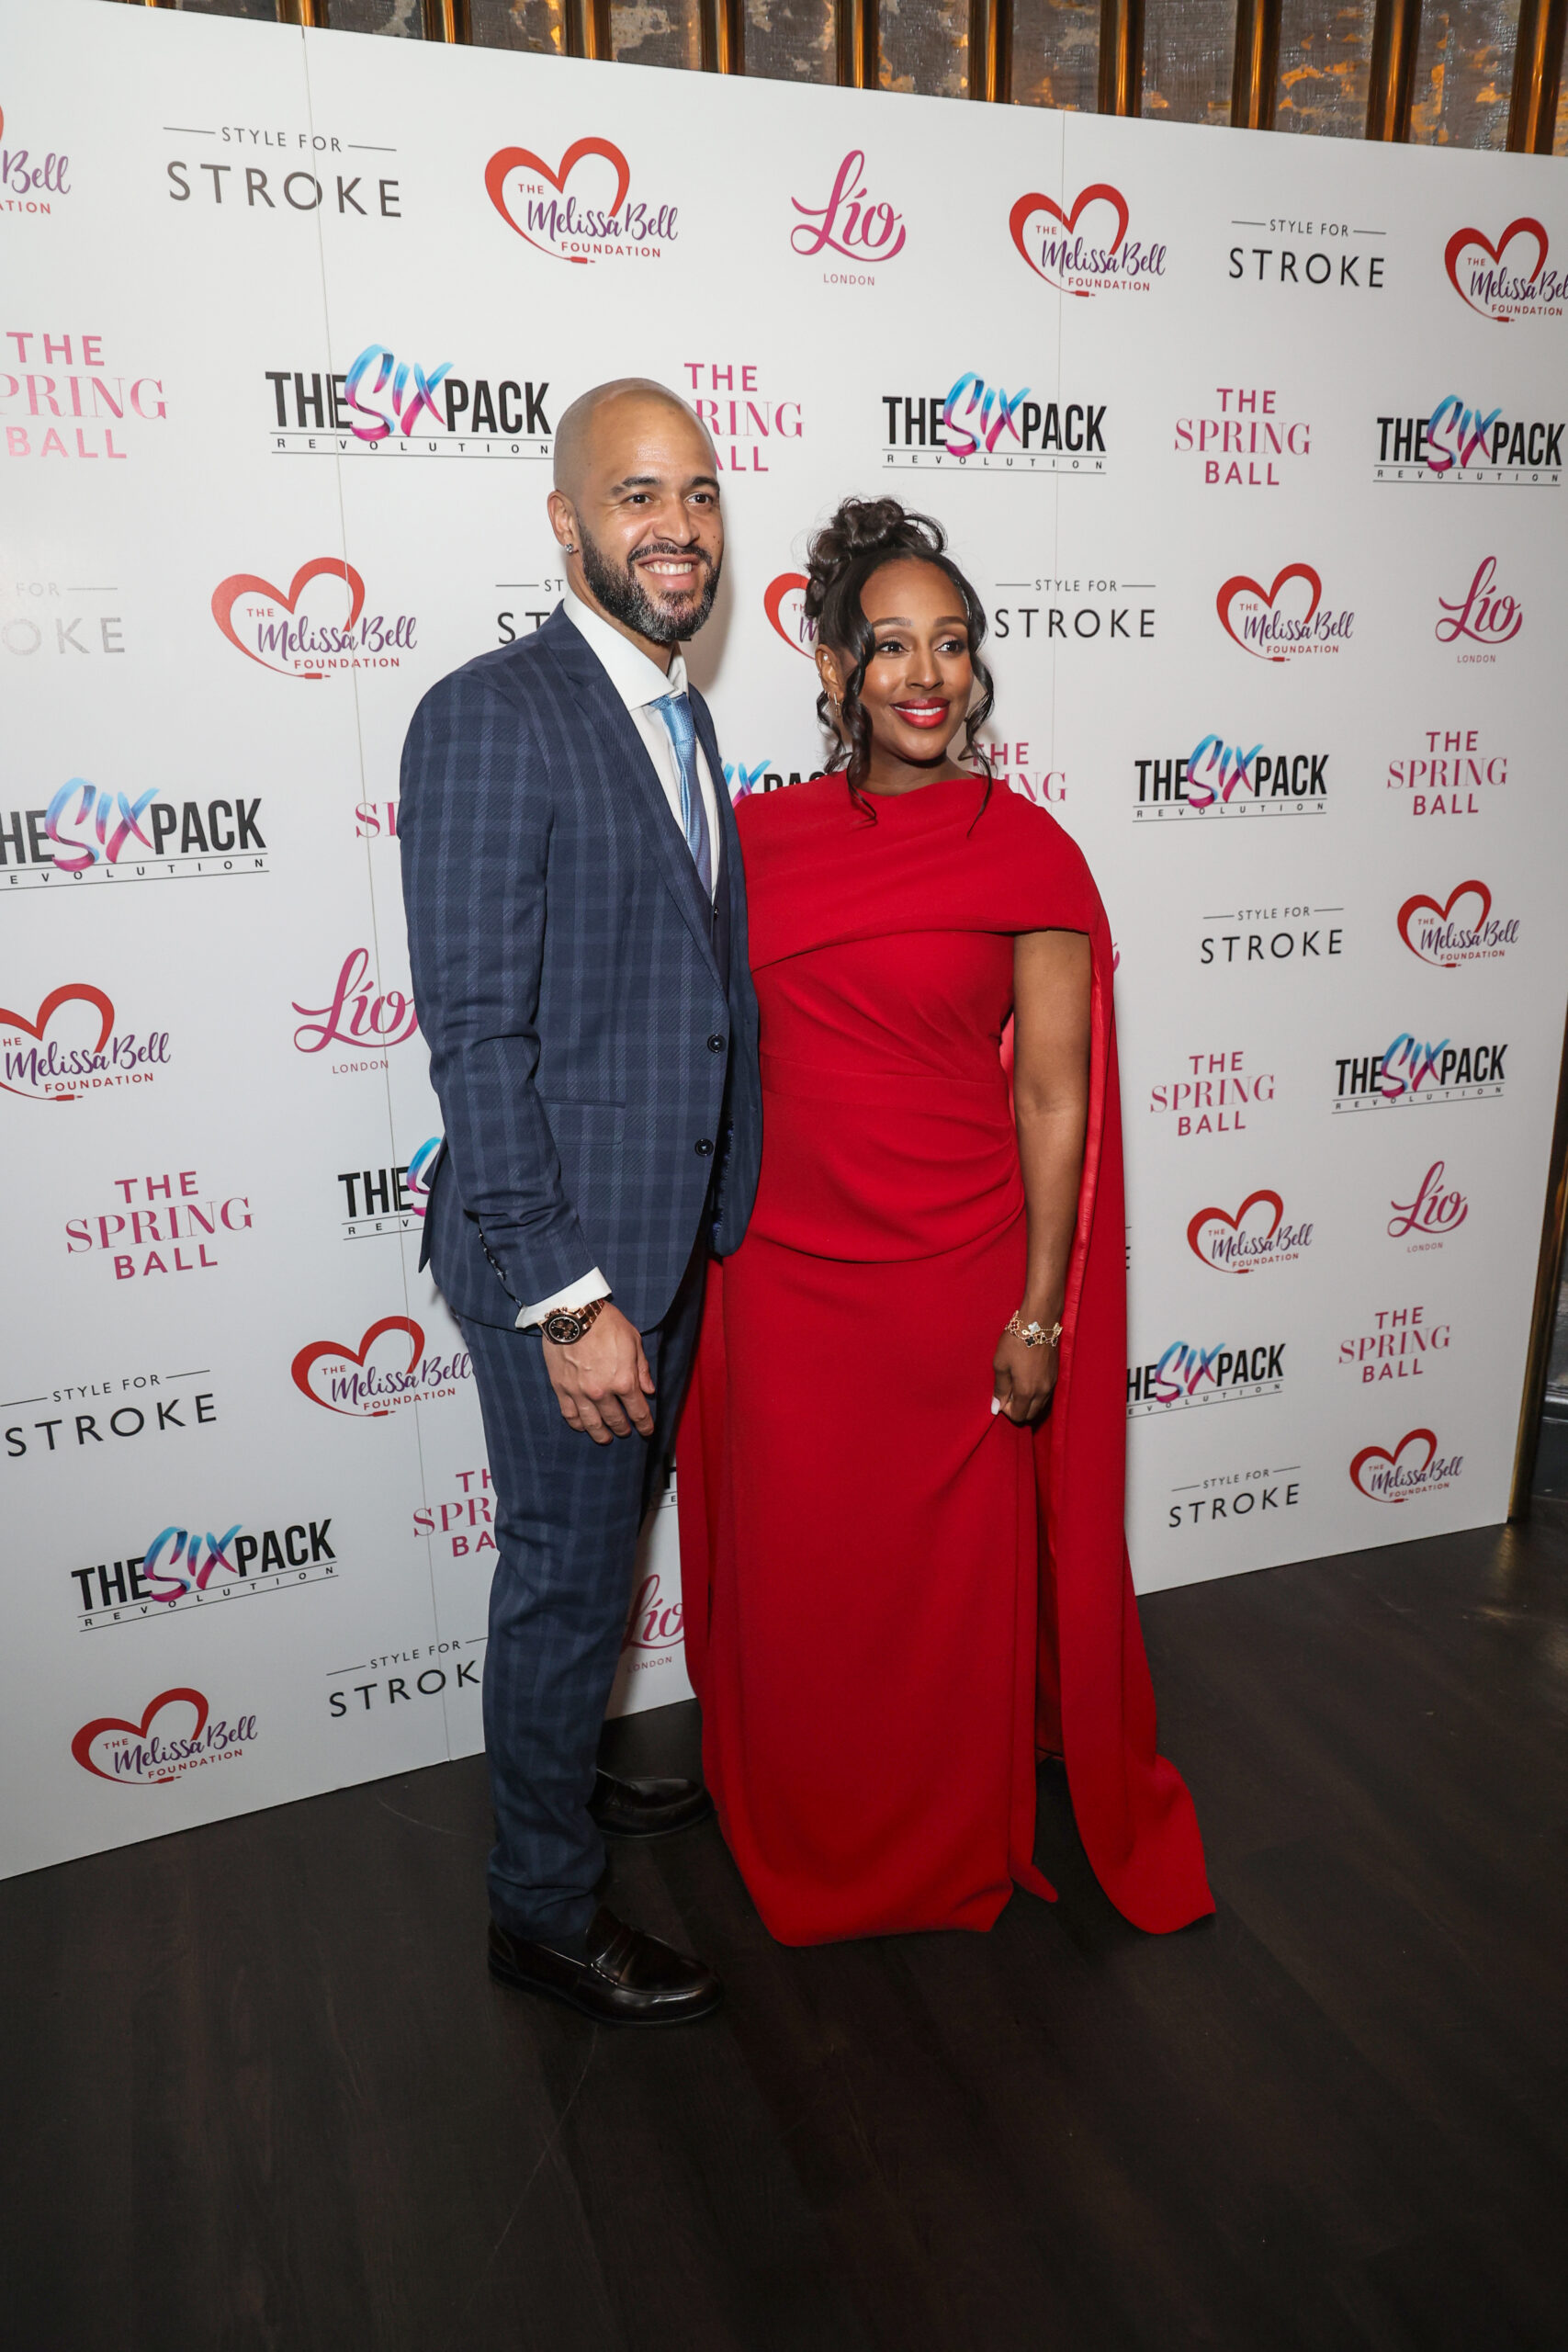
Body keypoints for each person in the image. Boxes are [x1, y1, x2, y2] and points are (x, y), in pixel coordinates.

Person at [678, 498, 1212, 1944]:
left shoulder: (1026, 848)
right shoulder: (750, 842)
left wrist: (1040, 1309)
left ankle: (936, 1844)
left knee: (939, 1598)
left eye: (954, 645)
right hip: (779, 1280)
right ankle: (793, 1824)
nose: (928, 675)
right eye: (893, 645)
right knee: (805, 1584)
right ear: (834, 666)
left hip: (954, 1282)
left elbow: (1054, 1100)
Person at [399, 379, 761, 2022]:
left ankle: (566, 1776)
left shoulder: (679, 713)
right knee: (562, 1577)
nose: (674, 525)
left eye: (695, 492)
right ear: (565, 522)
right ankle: (539, 1908)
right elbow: (478, 1038)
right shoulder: (494, 713)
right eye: (633, 495)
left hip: (663, 1239)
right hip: (568, 1267)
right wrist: (568, 1297)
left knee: (596, 1575)